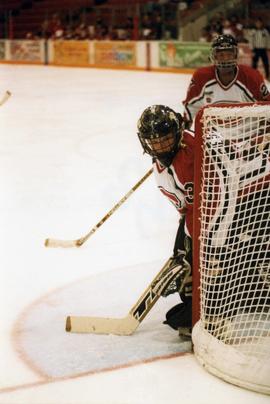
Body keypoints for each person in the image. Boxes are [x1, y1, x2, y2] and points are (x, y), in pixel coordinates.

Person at [137, 104, 194, 336]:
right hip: (199, 211)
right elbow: (185, 210)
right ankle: (195, 307)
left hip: (242, 199)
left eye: (165, 139)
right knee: (182, 257)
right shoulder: (161, 175)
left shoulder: (197, 147)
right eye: (154, 142)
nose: (160, 146)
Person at [183, 34, 270, 129]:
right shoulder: (201, 77)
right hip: (213, 138)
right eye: (221, 55)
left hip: (248, 137)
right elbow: (190, 107)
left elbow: (267, 107)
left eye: (229, 54)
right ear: (214, 56)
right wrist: (184, 128)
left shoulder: (251, 77)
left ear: (235, 54)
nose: (225, 59)